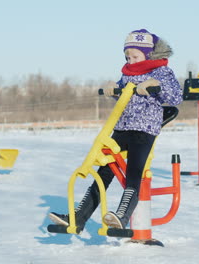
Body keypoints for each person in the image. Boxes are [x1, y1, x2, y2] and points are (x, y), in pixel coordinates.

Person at [49, 29, 183, 230]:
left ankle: (122, 215)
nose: (130, 61)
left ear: (149, 54)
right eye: (127, 56)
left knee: (134, 171)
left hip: (144, 129)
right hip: (122, 127)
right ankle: (79, 218)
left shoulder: (161, 72)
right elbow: (122, 93)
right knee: (105, 169)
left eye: (135, 56)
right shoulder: (128, 73)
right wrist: (113, 88)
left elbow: (175, 97)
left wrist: (156, 86)